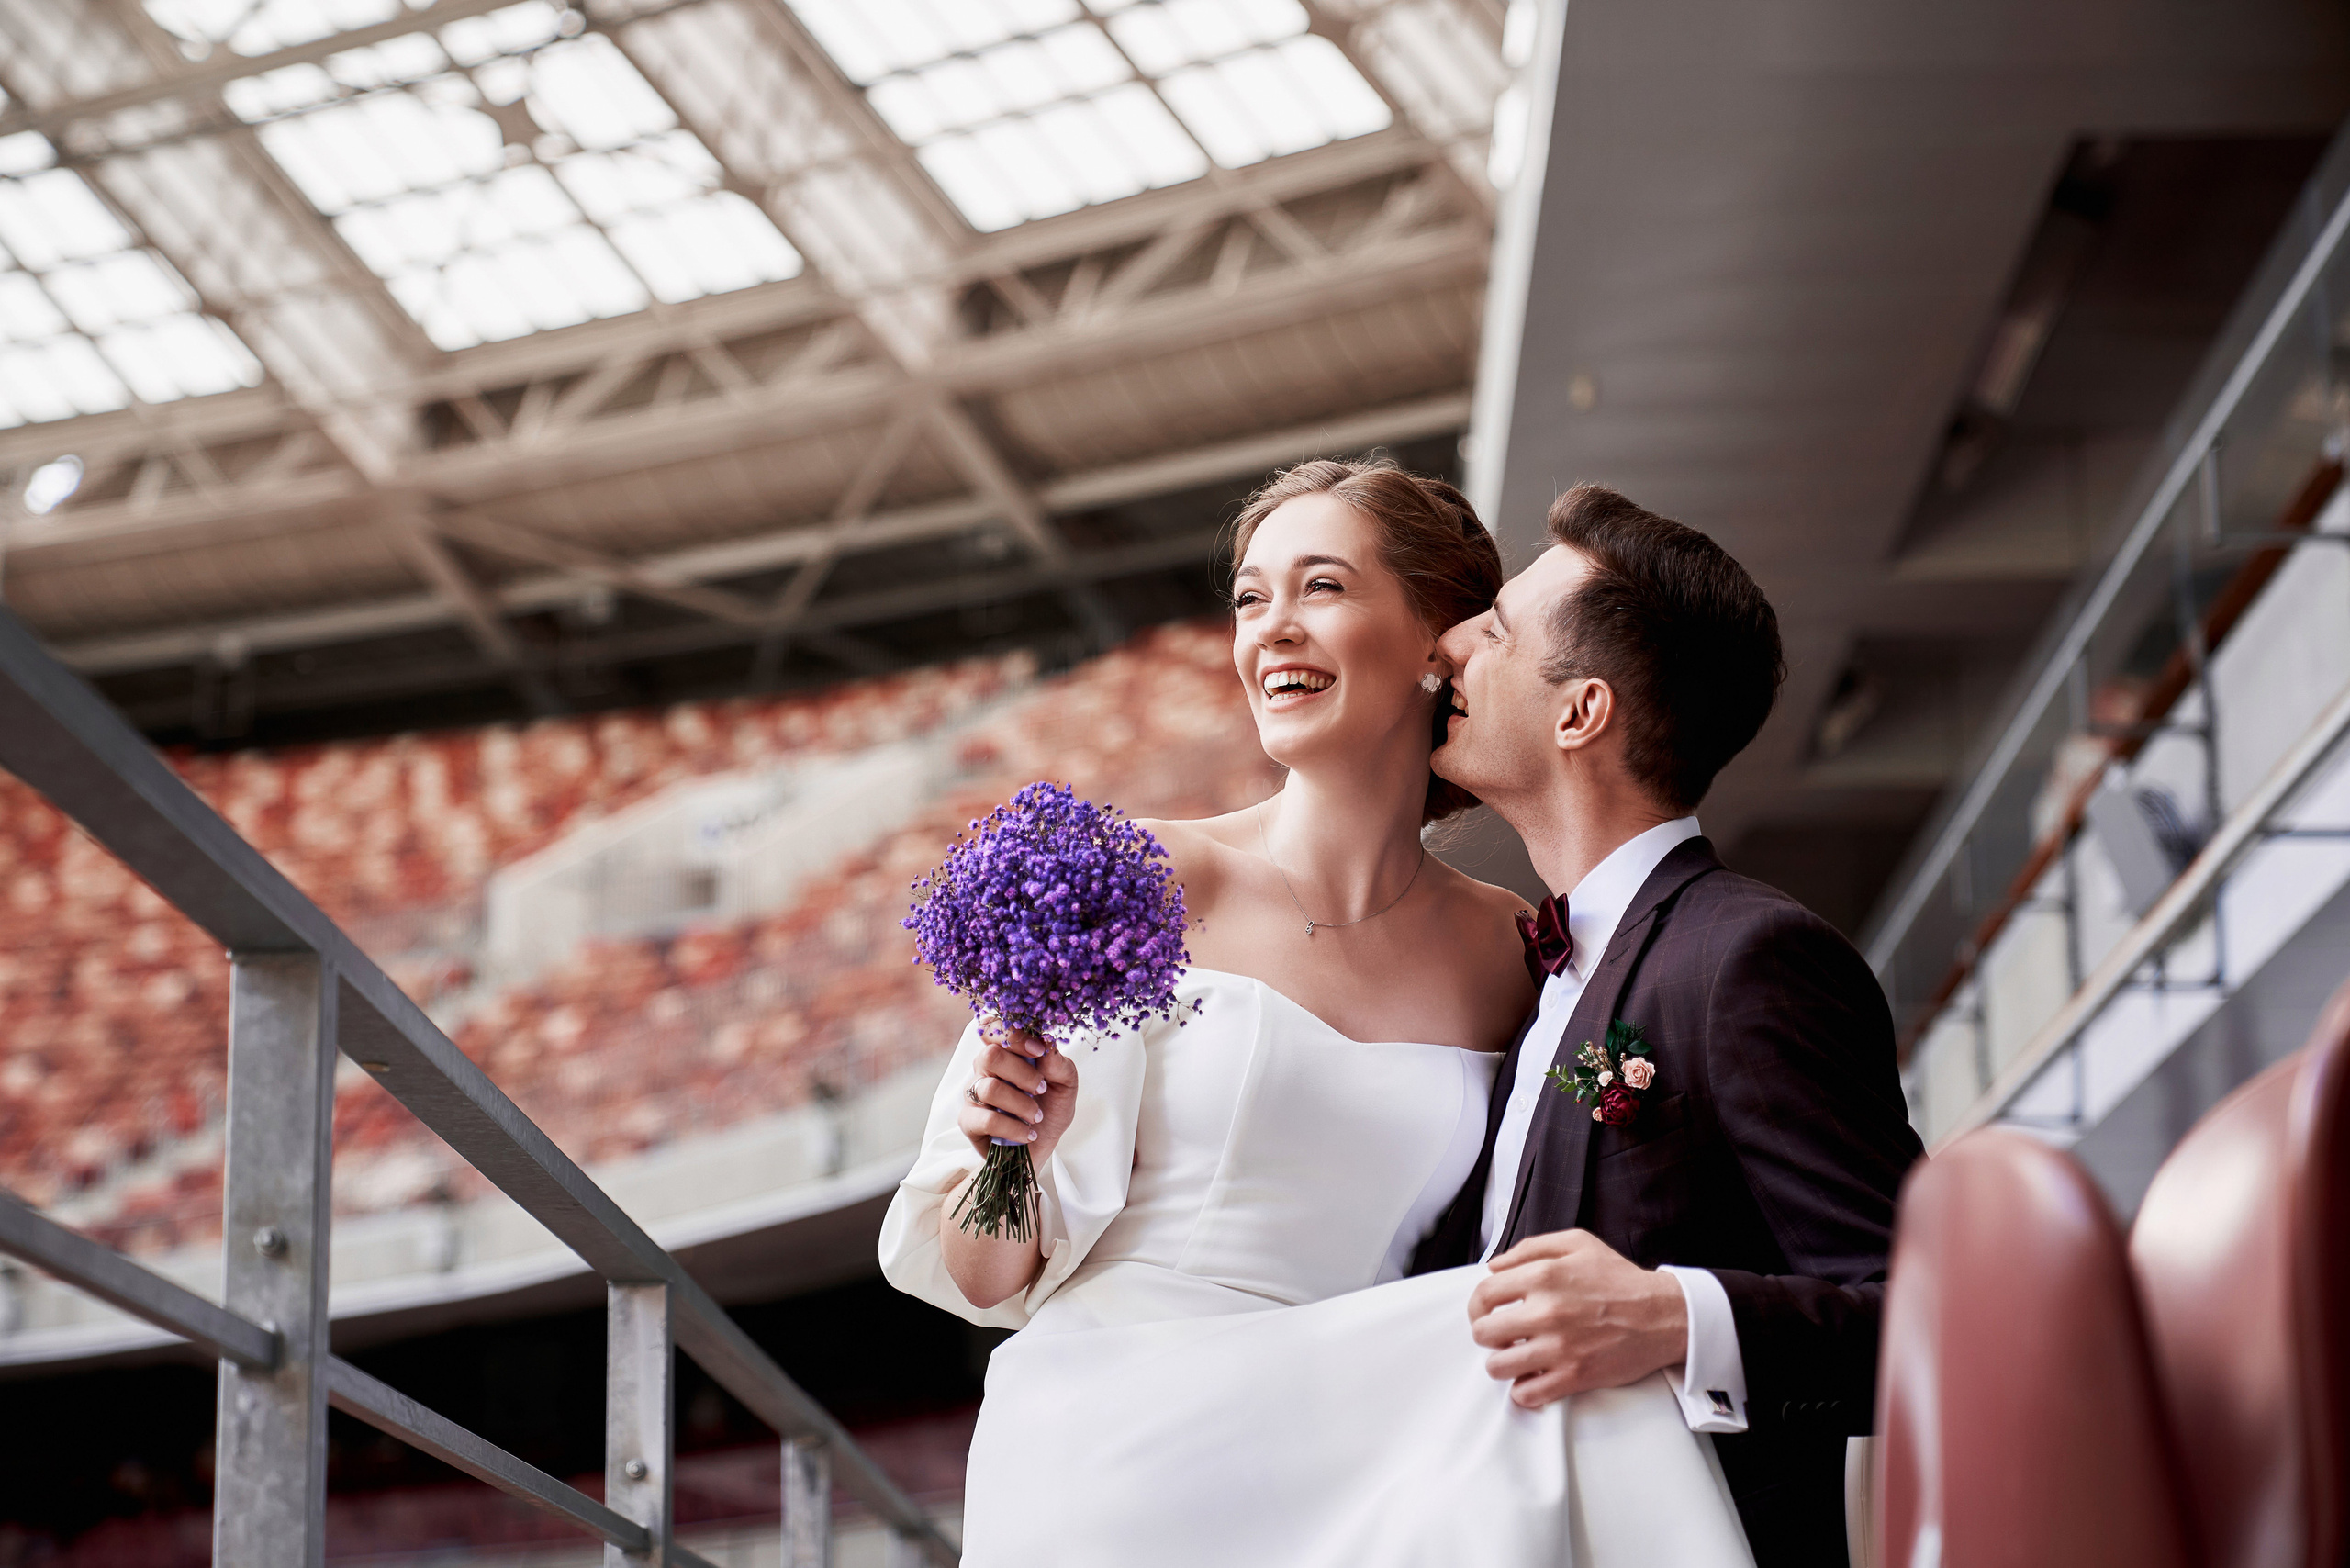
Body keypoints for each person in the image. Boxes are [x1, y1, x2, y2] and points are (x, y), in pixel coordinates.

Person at [879, 459, 1758, 1567]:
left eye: (1322, 588)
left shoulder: (1520, 952)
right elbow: (980, 1275)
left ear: (1441, 641)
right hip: (1123, 1430)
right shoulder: (1136, 878)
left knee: (1590, 1384)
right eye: (1251, 597)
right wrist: (1012, 1148)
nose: (1271, 631)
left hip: (1376, 1439)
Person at [1413, 482, 1928, 1566]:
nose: (1454, 639)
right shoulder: (1523, 984)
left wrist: (1671, 1317)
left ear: (1579, 712)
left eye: (1496, 628)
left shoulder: (1750, 959)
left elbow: (1928, 1320)